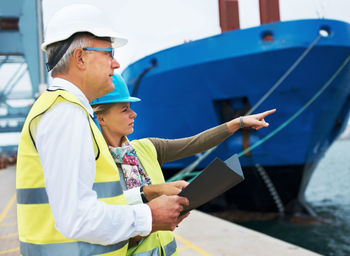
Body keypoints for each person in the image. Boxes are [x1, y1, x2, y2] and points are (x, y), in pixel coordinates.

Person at [16, 4, 189, 256]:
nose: (116, 63)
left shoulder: (67, 110)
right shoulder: (65, 113)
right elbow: (76, 218)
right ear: (81, 57)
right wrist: (149, 216)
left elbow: (92, 201)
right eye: (108, 52)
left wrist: (147, 194)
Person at [90, 74, 277, 255]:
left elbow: (195, 143)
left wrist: (239, 122)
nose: (134, 114)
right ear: (101, 118)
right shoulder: (93, 164)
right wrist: (152, 215)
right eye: (124, 109)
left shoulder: (147, 147)